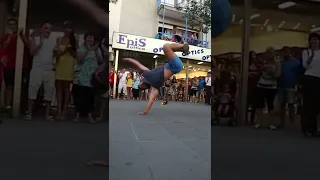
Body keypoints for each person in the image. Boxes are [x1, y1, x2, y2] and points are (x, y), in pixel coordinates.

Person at [122, 43, 189, 115]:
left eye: (139, 84)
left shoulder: (146, 73)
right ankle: (182, 47)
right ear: (144, 87)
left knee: (168, 48)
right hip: (175, 67)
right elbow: (151, 100)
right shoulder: (154, 87)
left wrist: (128, 59)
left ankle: (183, 50)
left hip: (169, 64)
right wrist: (145, 112)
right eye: (140, 86)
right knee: (166, 47)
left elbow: (138, 64)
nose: (140, 84)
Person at [25, 22, 56, 121]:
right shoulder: (35, 39)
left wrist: (57, 50)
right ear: (41, 29)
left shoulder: (53, 41)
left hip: (49, 69)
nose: (48, 30)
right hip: (37, 68)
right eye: (46, 28)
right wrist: (41, 43)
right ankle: (29, 113)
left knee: (49, 91)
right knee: (32, 90)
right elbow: (32, 51)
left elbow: (55, 54)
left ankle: (47, 115)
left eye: (49, 29)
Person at [72, 32, 102, 123]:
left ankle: (90, 116)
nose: (90, 40)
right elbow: (79, 59)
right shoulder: (81, 48)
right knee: (79, 97)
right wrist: (88, 50)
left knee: (90, 97)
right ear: (85, 39)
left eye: (91, 38)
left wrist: (95, 50)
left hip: (91, 77)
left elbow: (100, 60)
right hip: (81, 77)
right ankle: (77, 116)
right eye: (88, 38)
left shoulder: (97, 49)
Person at [54, 21, 77, 120]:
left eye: (69, 28)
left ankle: (64, 111)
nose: (67, 30)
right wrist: (60, 52)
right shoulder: (59, 39)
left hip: (69, 65)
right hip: (60, 64)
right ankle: (58, 110)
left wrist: (69, 50)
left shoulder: (74, 40)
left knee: (66, 88)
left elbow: (76, 55)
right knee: (58, 88)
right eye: (65, 28)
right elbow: (56, 53)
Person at [301, 33, 320, 137]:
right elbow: (305, 65)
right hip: (309, 78)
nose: (314, 41)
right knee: (308, 104)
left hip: (319, 79)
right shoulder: (306, 52)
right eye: (312, 39)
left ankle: (314, 128)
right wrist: (312, 55)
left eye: (316, 39)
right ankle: (306, 129)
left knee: (317, 104)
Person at [277, 46, 300, 128]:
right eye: (283, 52)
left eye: (286, 52)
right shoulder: (281, 62)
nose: (285, 54)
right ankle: (281, 122)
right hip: (281, 85)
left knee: (291, 104)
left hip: (291, 86)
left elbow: (299, 74)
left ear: (290, 52)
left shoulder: (296, 63)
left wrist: (297, 84)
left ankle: (292, 122)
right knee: (282, 104)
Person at [0, 18, 18, 112]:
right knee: (8, 86)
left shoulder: (20, 36)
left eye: (14, 24)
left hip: (19, 65)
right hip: (9, 65)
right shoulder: (6, 36)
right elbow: (3, 47)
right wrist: (10, 37)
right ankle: (8, 106)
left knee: (18, 86)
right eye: (10, 24)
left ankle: (17, 106)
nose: (12, 26)